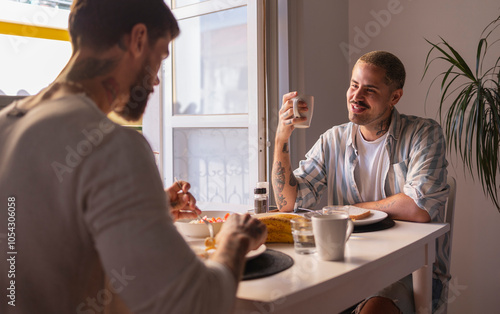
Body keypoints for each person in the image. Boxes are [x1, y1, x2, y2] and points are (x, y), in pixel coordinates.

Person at [0, 1, 266, 313]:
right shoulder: (111, 144)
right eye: (160, 57)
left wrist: (145, 206)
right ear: (138, 39)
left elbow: (46, 233)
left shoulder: (8, 123)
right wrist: (234, 240)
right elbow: (195, 305)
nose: (155, 81)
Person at [272, 51, 449, 313]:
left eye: (369, 89)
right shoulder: (333, 140)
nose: (356, 96)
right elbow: (288, 203)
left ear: (395, 97)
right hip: (345, 263)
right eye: (354, 85)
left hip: (408, 269)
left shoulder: (424, 133)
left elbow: (418, 209)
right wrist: (281, 139)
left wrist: (354, 209)